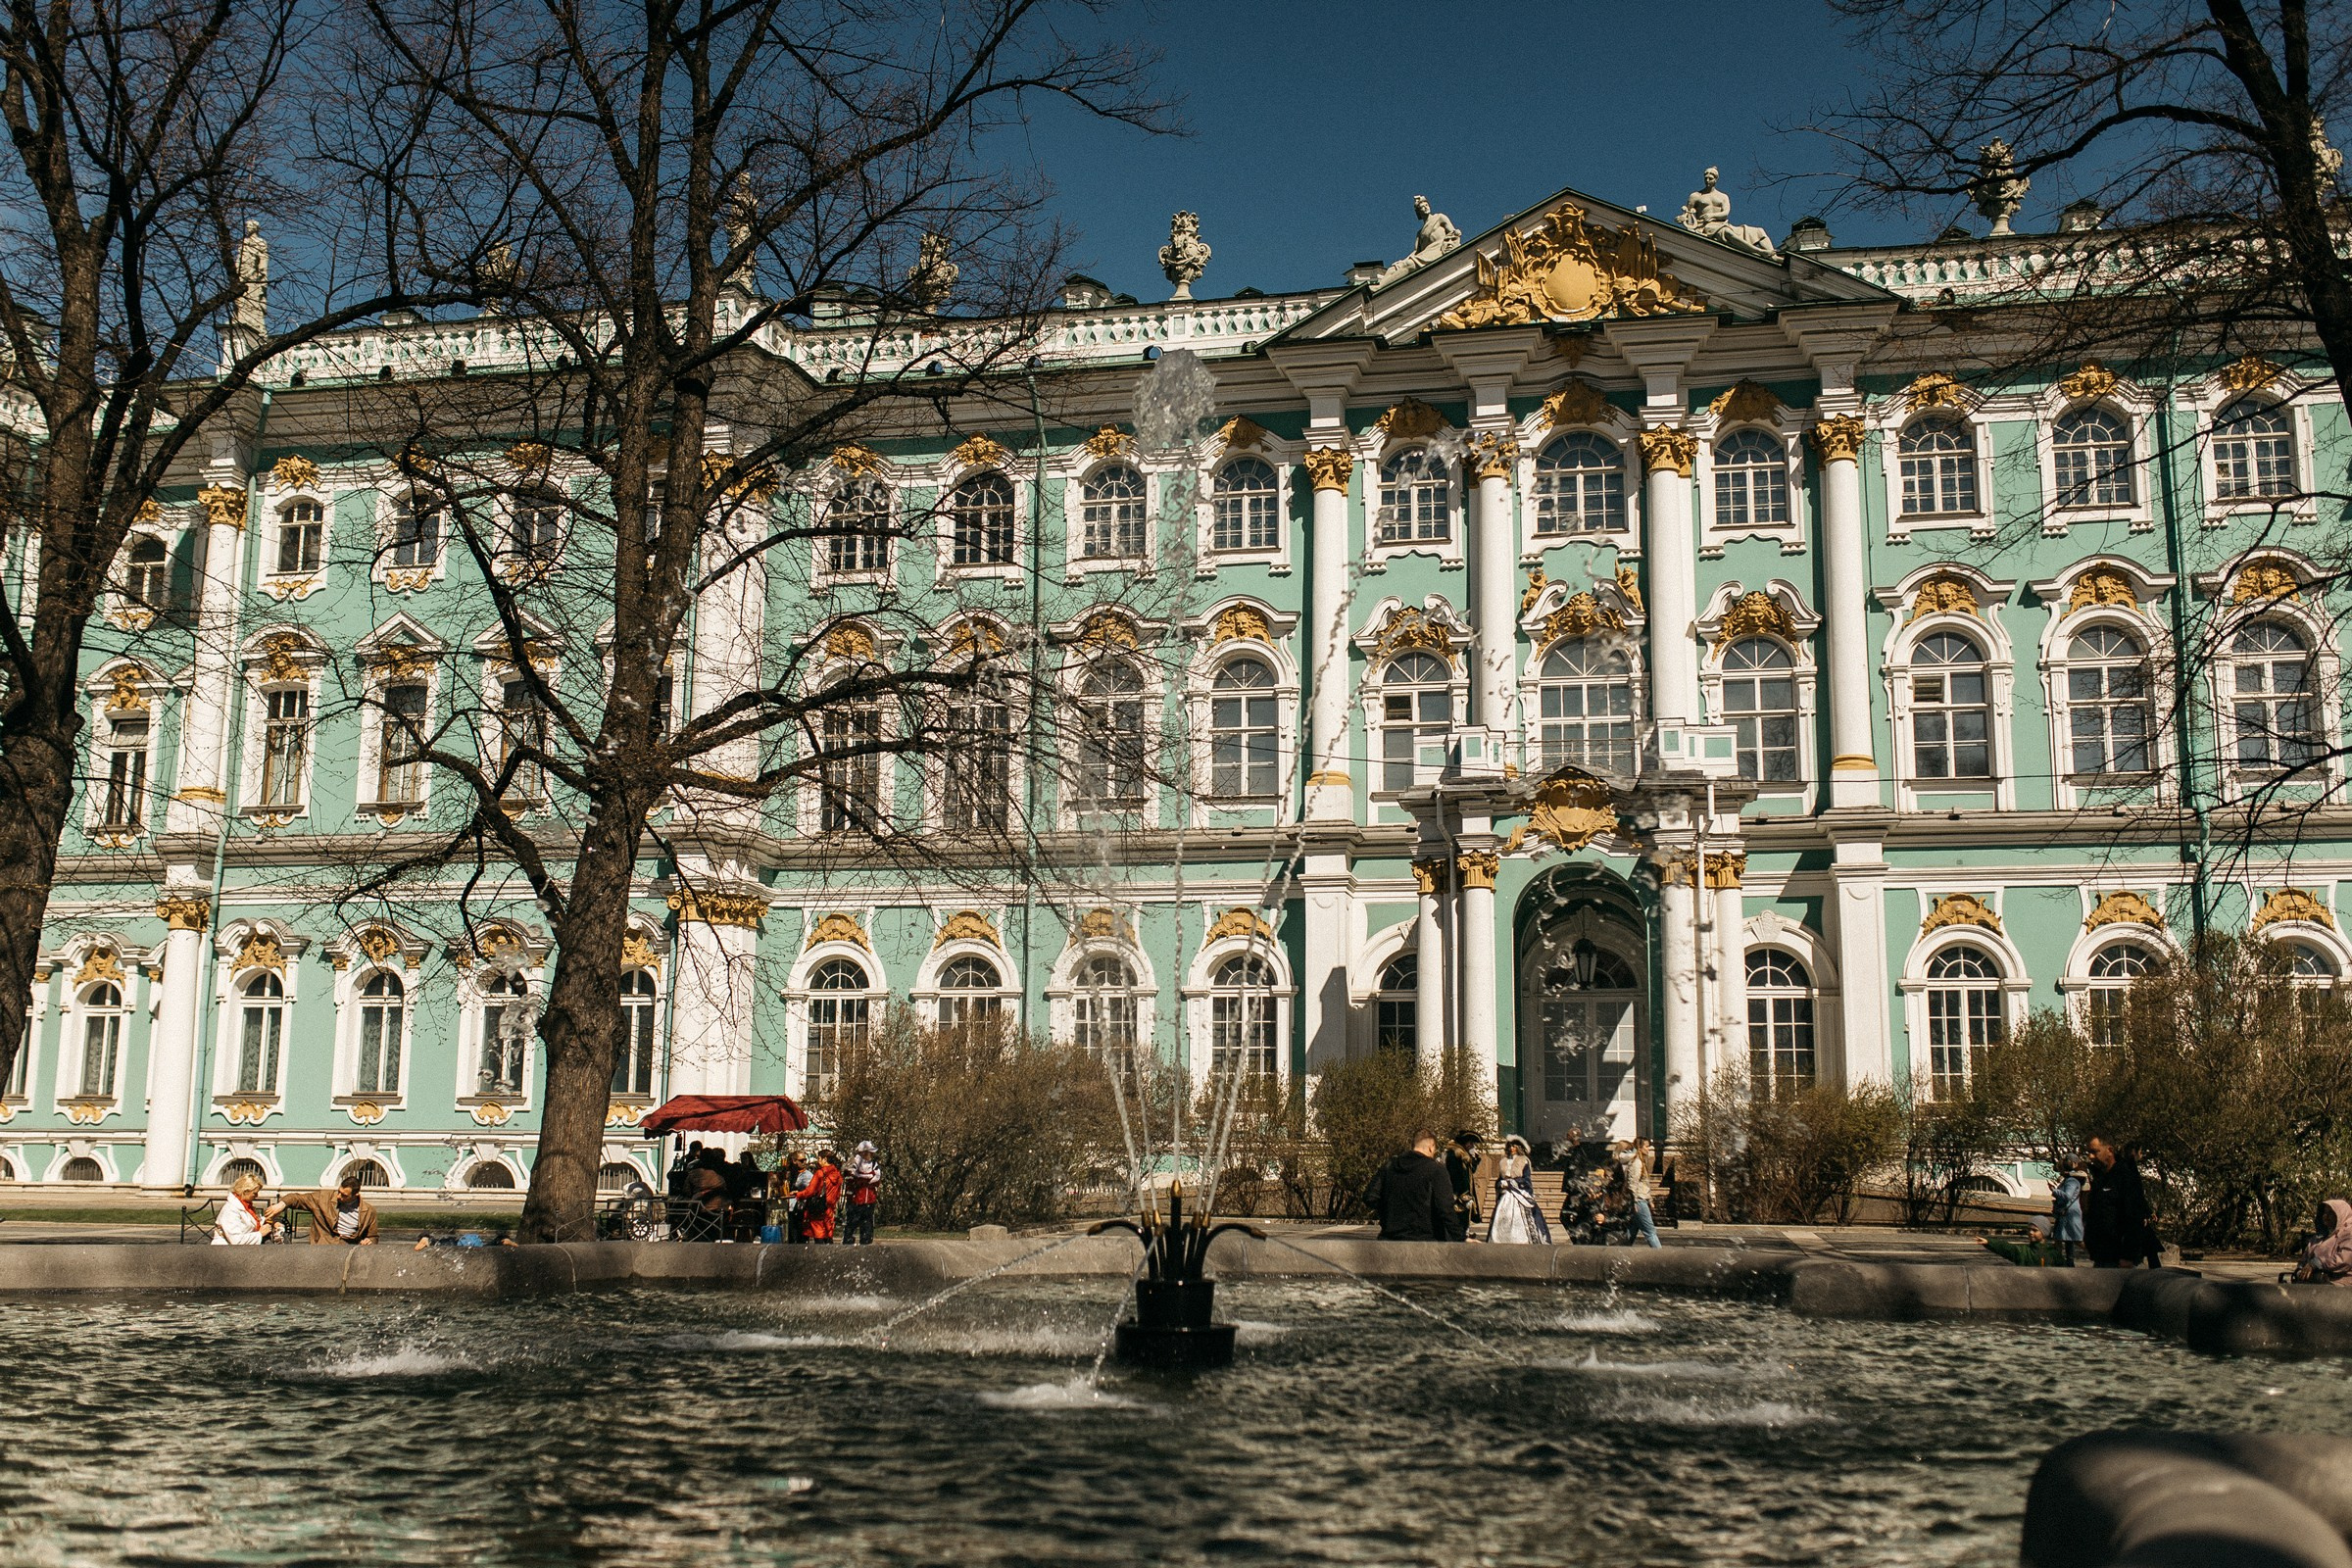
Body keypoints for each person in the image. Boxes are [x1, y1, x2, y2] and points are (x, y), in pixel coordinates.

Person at [1363, 1131, 1457, 1242]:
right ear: (1431, 1147)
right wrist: (1460, 1237)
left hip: (1390, 1238)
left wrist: (1390, 1211)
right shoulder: (1436, 1170)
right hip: (1426, 1240)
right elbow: (1446, 1208)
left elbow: (1370, 1197)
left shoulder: (1390, 1166)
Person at [2086, 1136, 2154, 1268]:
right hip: (2101, 1254)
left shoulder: (2125, 1176)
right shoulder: (2100, 1178)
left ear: (2110, 1150)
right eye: (2089, 1152)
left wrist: (2128, 1256)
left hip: (2119, 1257)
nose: (2091, 1157)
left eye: (2095, 1151)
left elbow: (2134, 1217)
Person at [269, 1173, 379, 1245]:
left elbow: (373, 1237)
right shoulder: (323, 1198)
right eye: (339, 1191)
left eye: (344, 1195)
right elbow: (297, 1198)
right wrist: (281, 1205)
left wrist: (369, 1241)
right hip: (323, 1248)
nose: (338, 1196)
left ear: (355, 1195)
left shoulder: (368, 1212)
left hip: (349, 1251)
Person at [1488, 1135, 1552, 1246]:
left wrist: (1511, 1183)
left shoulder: (1523, 1161)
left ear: (1519, 1148)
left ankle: (1522, 1238)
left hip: (1518, 1194)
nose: (1512, 1148)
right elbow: (1499, 1179)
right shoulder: (1503, 1162)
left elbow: (1526, 1180)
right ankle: (1502, 1238)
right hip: (1505, 1196)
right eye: (1510, 1146)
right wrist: (1500, 1184)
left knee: (1519, 1216)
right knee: (1503, 1216)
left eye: (1514, 1146)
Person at [1615, 1137, 1663, 1249]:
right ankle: (1660, 1255)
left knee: (1631, 1232)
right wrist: (1634, 1202)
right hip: (1639, 1201)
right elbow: (1632, 1184)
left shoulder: (1640, 1162)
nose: (1648, 1149)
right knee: (1650, 1232)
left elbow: (1644, 1185)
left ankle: (1619, 1252)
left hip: (1641, 1199)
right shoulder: (1636, 1163)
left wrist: (1650, 1200)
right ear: (1640, 1148)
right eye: (1646, 1146)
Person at [2294, 1200, 2352, 1285]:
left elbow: (2345, 1260)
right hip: (2315, 1281)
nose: (2325, 1216)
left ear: (2340, 1214)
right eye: (2324, 1212)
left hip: (2339, 1283)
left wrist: (2317, 1263)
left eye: (2330, 1213)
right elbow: (2305, 1258)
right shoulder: (2320, 1237)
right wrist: (2300, 1269)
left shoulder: (2348, 1234)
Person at [1978, 1218, 2068, 1267]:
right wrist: (1989, 1242)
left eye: (2035, 1230)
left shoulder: (2053, 1253)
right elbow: (2007, 1248)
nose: (2030, 1232)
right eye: (2029, 1229)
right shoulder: (2023, 1251)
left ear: (2044, 1232)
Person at [1445, 1130, 1483, 1243]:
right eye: (1470, 1143)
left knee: (1465, 1218)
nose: (1472, 1145)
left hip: (1466, 1193)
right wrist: (1461, 1195)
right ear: (1465, 1143)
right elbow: (1455, 1176)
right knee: (1459, 1218)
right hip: (1459, 1195)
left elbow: (1471, 1171)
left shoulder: (1465, 1156)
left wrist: (1475, 1158)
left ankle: (1464, 1234)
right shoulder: (1455, 1154)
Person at [212, 1172, 270, 1245]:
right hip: (225, 1248)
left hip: (239, 1249)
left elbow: (250, 1224)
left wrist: (269, 1221)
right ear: (245, 1191)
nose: (257, 1196)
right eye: (254, 1193)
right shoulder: (231, 1210)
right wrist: (260, 1234)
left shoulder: (245, 1206)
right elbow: (236, 1240)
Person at [2049, 1161, 2086, 1266]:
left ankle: (2098, 1255)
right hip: (2066, 1213)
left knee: (2076, 1239)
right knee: (2065, 1239)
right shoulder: (2069, 1180)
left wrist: (2054, 1190)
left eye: (2060, 1170)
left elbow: (2067, 1196)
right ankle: (2067, 1262)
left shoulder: (2071, 1181)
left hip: (2069, 1214)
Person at [803, 1150, 843, 1244]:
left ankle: (821, 1252)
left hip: (819, 1208)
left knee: (819, 1234)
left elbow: (810, 1191)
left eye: (819, 1159)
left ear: (825, 1159)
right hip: (830, 1208)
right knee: (828, 1233)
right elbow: (837, 1193)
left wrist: (798, 1194)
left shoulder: (820, 1173)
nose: (818, 1161)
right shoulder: (837, 1174)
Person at [845, 1141, 881, 1246]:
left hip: (869, 1200)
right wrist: (866, 1178)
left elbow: (877, 1178)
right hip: (855, 1201)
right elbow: (852, 1178)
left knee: (867, 1225)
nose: (872, 1155)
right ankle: (847, 1244)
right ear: (863, 1153)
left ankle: (866, 1244)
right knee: (852, 1224)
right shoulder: (853, 1163)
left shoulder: (874, 1164)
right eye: (870, 1153)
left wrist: (864, 1178)